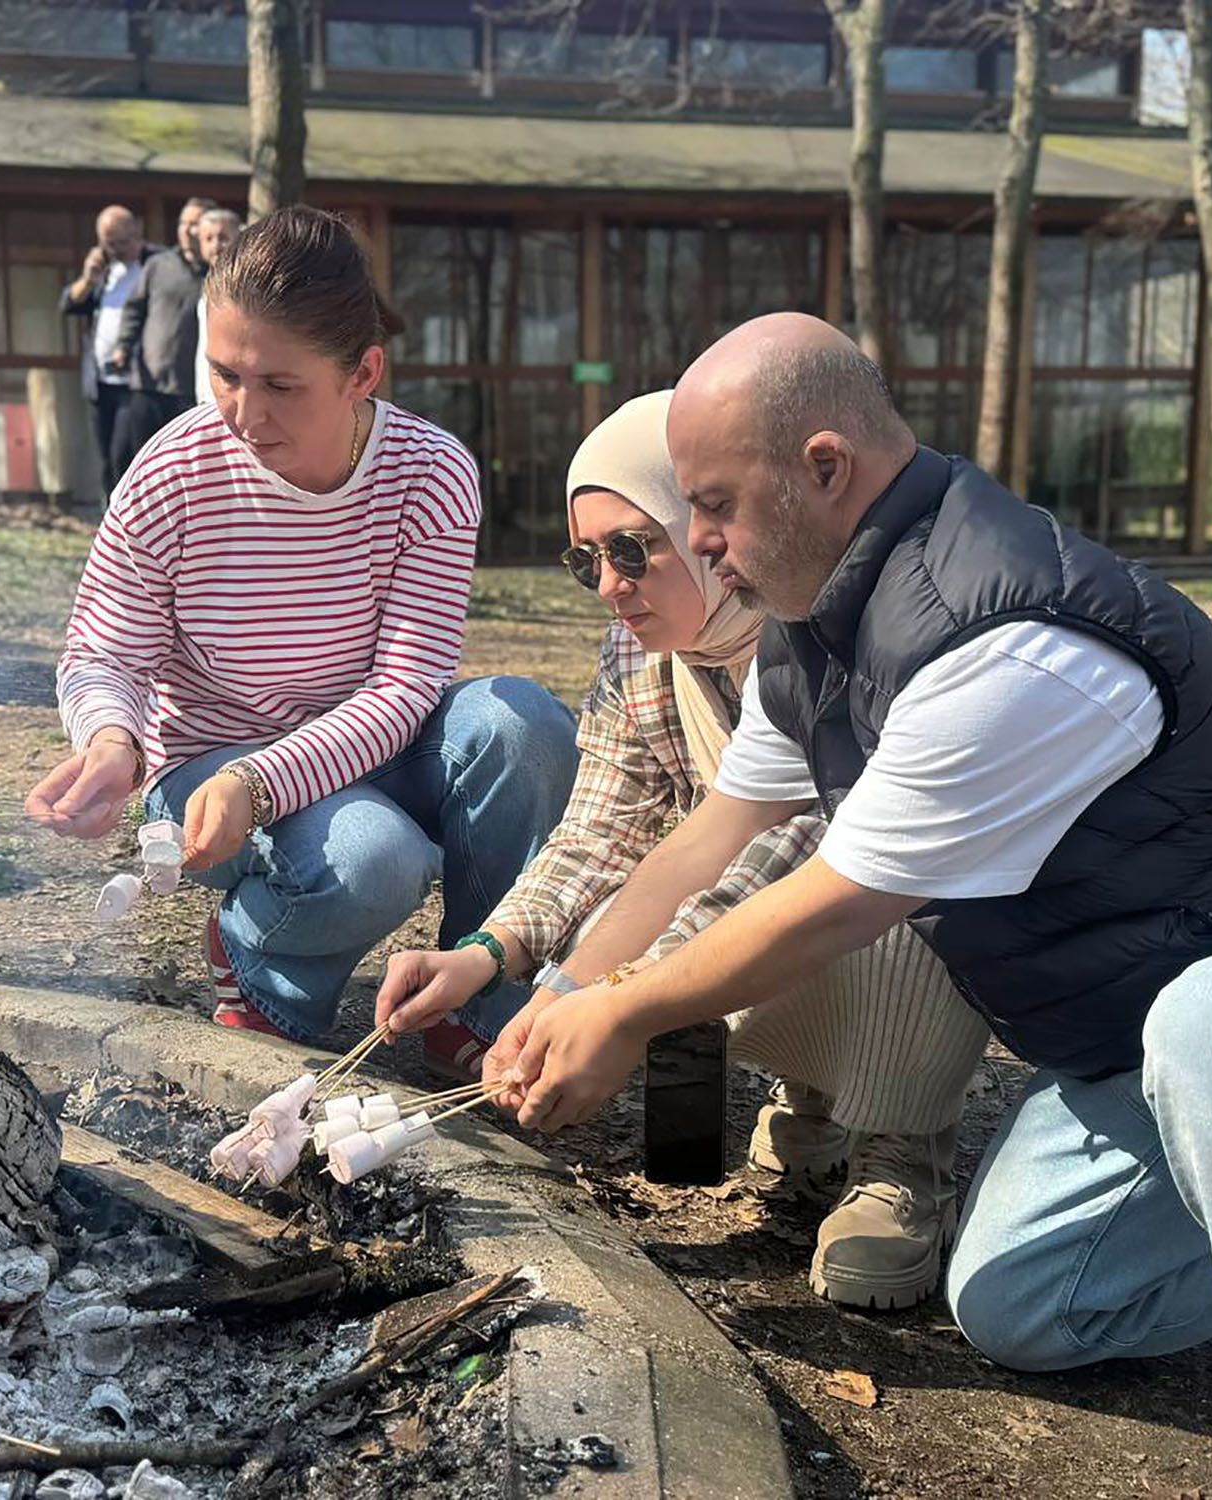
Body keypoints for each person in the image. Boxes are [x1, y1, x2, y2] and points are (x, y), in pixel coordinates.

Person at [498, 312, 1212, 1498]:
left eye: (715, 504)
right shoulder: (809, 638)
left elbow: (842, 897)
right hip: (1152, 1037)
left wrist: (626, 1017)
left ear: (823, 468)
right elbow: (703, 842)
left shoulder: (1002, 631)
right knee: (1026, 1302)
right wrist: (559, 994)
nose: (702, 541)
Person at [374, 390, 990, 1306]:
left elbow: (811, 853)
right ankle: (811, 1098)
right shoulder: (642, 654)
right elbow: (606, 828)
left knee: (864, 905)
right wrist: (493, 959)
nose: (612, 584)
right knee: (670, 1053)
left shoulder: (836, 631)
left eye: (634, 547)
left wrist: (616, 999)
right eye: (587, 562)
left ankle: (905, 1149)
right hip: (747, 897)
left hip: (889, 903)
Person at [26, 205, 580, 1054]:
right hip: (212, 771)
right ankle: (261, 959)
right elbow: (106, 650)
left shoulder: (430, 474)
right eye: (224, 376)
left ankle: (473, 1001)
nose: (244, 415)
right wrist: (110, 742)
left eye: (281, 386)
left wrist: (267, 782)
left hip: (366, 747)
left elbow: (405, 690)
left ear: (363, 373)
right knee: (375, 857)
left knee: (524, 724)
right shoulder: (173, 472)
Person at [60, 205, 160, 498]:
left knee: (123, 456)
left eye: (120, 241)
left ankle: (128, 520)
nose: (115, 249)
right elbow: (69, 304)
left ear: (136, 231)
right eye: (108, 243)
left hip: (137, 380)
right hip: (100, 380)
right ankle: (108, 518)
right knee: (105, 457)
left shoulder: (154, 264)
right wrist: (89, 277)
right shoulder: (104, 270)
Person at [113, 197, 213, 455]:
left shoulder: (218, 274)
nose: (187, 230)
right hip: (149, 384)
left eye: (195, 224)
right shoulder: (158, 265)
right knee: (131, 457)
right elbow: (134, 309)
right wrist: (122, 347)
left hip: (188, 391)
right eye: (183, 222)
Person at [188, 207, 242, 408]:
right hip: (205, 392)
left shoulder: (244, 283)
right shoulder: (207, 283)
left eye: (223, 237)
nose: (216, 246)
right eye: (208, 239)